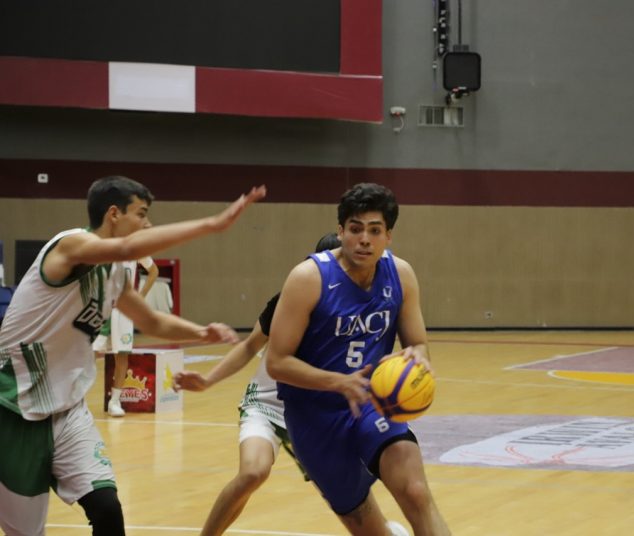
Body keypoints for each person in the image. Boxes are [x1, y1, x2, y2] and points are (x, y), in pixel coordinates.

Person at [0, 176, 266, 536]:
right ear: (114, 214)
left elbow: (151, 321)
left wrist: (201, 332)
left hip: (67, 410)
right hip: (14, 407)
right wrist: (212, 224)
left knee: (107, 508)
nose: (147, 224)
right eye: (141, 214)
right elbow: (126, 247)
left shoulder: (117, 270)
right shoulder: (69, 244)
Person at [173, 233, 409, 536]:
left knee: (353, 496)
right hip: (268, 404)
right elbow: (249, 346)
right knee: (253, 472)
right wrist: (208, 380)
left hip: (317, 415)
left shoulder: (364, 308)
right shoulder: (291, 299)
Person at [266, 183, 451, 536]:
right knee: (366, 526)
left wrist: (419, 358)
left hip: (374, 403)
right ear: (340, 231)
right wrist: (338, 382)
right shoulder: (308, 279)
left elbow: (418, 344)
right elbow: (277, 362)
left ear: (388, 236)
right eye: (355, 229)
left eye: (375, 230)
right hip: (314, 417)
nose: (364, 239)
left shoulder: (401, 275)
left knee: (415, 492)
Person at [93, 255, 159, 417]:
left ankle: (115, 401)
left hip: (125, 309)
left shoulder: (137, 250)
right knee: (90, 353)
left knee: (122, 354)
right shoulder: (104, 247)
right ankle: (76, 402)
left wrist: (140, 297)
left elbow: (154, 271)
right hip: (102, 307)